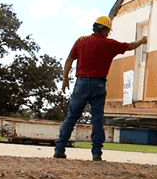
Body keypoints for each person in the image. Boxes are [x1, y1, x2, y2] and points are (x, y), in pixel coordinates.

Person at [53, 16, 147, 161]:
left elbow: (69, 59)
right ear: (106, 30)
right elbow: (129, 46)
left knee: (71, 117)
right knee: (97, 120)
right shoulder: (110, 44)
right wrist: (142, 41)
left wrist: (65, 78)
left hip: (81, 84)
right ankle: (96, 154)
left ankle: (59, 150)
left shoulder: (81, 41)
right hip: (99, 84)